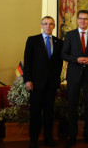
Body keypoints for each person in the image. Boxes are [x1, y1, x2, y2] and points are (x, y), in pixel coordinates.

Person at [61, 10, 88, 148]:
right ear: (77, 20)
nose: (83, 21)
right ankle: (72, 136)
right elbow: (64, 54)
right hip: (74, 76)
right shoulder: (70, 35)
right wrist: (76, 59)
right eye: (81, 19)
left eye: (85, 19)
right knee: (72, 106)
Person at [23, 16, 63, 148]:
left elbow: (59, 64)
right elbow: (27, 62)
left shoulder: (59, 42)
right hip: (36, 84)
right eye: (45, 24)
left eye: (51, 24)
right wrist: (27, 80)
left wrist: (57, 80)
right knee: (35, 112)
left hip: (51, 84)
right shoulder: (32, 40)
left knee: (49, 113)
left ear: (54, 26)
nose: (48, 26)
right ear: (41, 25)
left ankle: (48, 138)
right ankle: (33, 140)